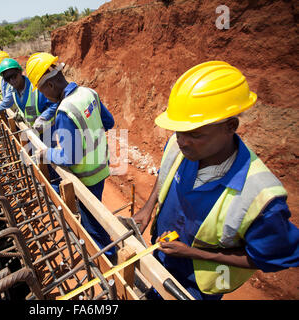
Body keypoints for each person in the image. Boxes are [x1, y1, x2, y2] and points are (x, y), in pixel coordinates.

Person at [133, 61, 299, 300]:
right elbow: (165, 174)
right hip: (159, 259)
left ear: (231, 126)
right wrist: (147, 210)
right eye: (178, 131)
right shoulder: (178, 146)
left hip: (198, 286)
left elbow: (269, 257)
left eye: (195, 134)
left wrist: (193, 254)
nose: (181, 141)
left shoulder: (261, 196)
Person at [25, 52, 116, 259]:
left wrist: (48, 152)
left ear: (49, 86)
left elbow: (70, 157)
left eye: (41, 91)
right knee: (95, 213)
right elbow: (108, 122)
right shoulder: (88, 92)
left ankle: (109, 261)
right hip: (101, 166)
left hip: (86, 176)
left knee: (93, 227)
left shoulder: (65, 111)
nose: (44, 97)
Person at [0, 58, 57, 131]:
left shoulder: (37, 88)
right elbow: (25, 108)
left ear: (20, 72)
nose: (11, 81)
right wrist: (20, 114)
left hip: (49, 132)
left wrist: (44, 118)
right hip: (33, 133)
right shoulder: (13, 91)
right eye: (7, 79)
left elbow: (55, 104)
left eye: (13, 76)